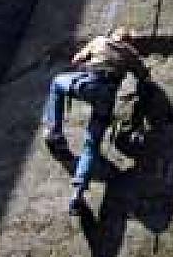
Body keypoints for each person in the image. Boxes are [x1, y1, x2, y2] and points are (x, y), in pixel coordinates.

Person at [43, 27, 151, 215]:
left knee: (57, 82)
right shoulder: (131, 54)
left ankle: (54, 132)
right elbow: (143, 77)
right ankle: (77, 193)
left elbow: (76, 60)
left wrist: (87, 57)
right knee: (91, 144)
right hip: (107, 96)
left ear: (115, 35)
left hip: (89, 82)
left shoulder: (101, 41)